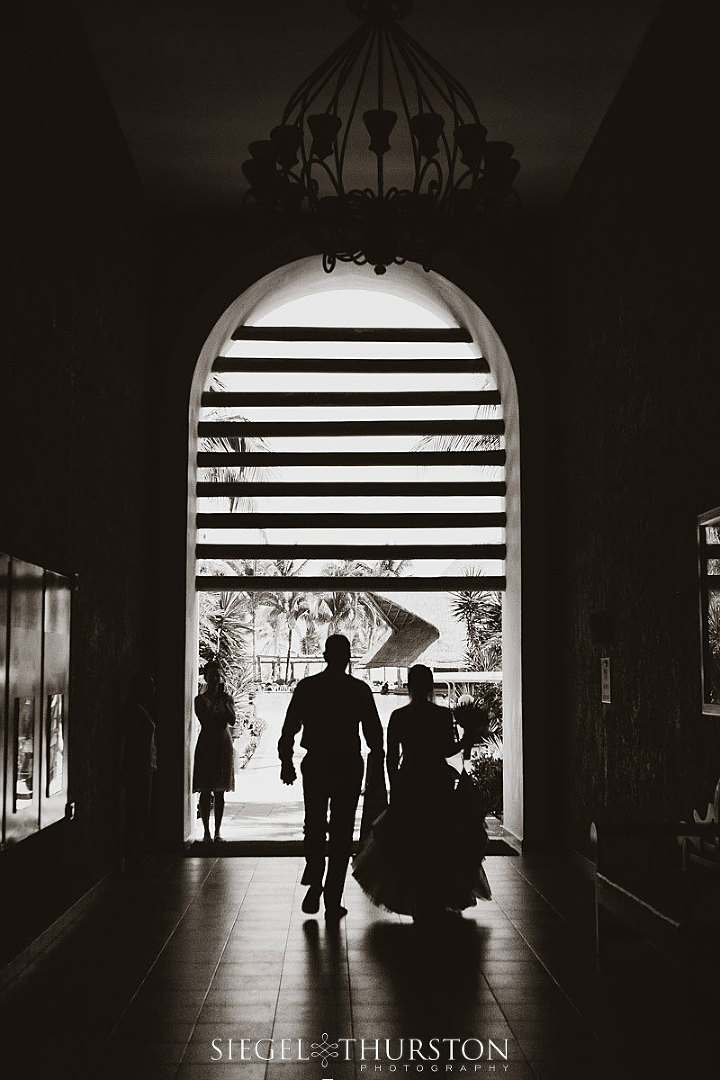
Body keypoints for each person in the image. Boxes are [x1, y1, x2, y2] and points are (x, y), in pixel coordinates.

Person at [353, 664, 491, 920]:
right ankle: (437, 895)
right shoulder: (442, 715)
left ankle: (418, 896)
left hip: (410, 780)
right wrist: (468, 738)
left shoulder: (399, 716)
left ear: (408, 686)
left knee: (411, 841)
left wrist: (395, 787)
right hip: (436, 781)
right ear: (430, 686)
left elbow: (391, 756)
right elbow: (449, 751)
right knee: (439, 839)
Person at [278, 633, 384, 921]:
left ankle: (314, 876)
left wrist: (286, 762)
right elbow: (374, 736)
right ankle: (332, 898)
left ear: (325, 656)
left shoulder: (308, 687)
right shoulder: (359, 690)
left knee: (314, 824)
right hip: (348, 764)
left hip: (316, 763)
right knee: (341, 831)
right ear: (348, 658)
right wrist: (377, 769)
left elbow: (289, 729)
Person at [192, 659, 236, 843]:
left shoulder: (227, 698)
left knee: (220, 791)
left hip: (223, 743)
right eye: (211, 676)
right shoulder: (199, 700)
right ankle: (206, 832)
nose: (215, 679)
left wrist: (224, 704)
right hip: (207, 744)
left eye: (218, 676)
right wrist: (214, 706)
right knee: (205, 789)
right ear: (205, 678)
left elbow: (232, 720)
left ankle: (217, 831)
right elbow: (205, 721)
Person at [120, 672, 157, 873]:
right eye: (150, 685)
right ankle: (134, 859)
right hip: (139, 768)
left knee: (141, 813)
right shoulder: (136, 712)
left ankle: (137, 857)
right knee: (138, 813)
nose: (153, 690)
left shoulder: (142, 710)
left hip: (144, 767)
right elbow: (131, 743)